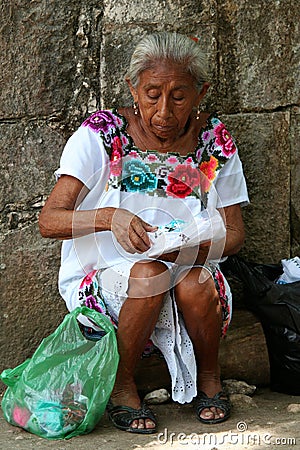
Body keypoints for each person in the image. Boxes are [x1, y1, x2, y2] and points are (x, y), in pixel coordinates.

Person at [39, 31, 249, 434]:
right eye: (152, 93)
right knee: (148, 274)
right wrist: (109, 218)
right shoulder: (105, 135)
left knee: (194, 281)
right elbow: (50, 220)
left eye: (179, 95)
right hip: (108, 275)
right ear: (133, 88)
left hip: (185, 270)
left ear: (201, 92)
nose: (164, 111)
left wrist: (189, 249)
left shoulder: (212, 142)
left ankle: (209, 377)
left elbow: (236, 232)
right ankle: (122, 385)